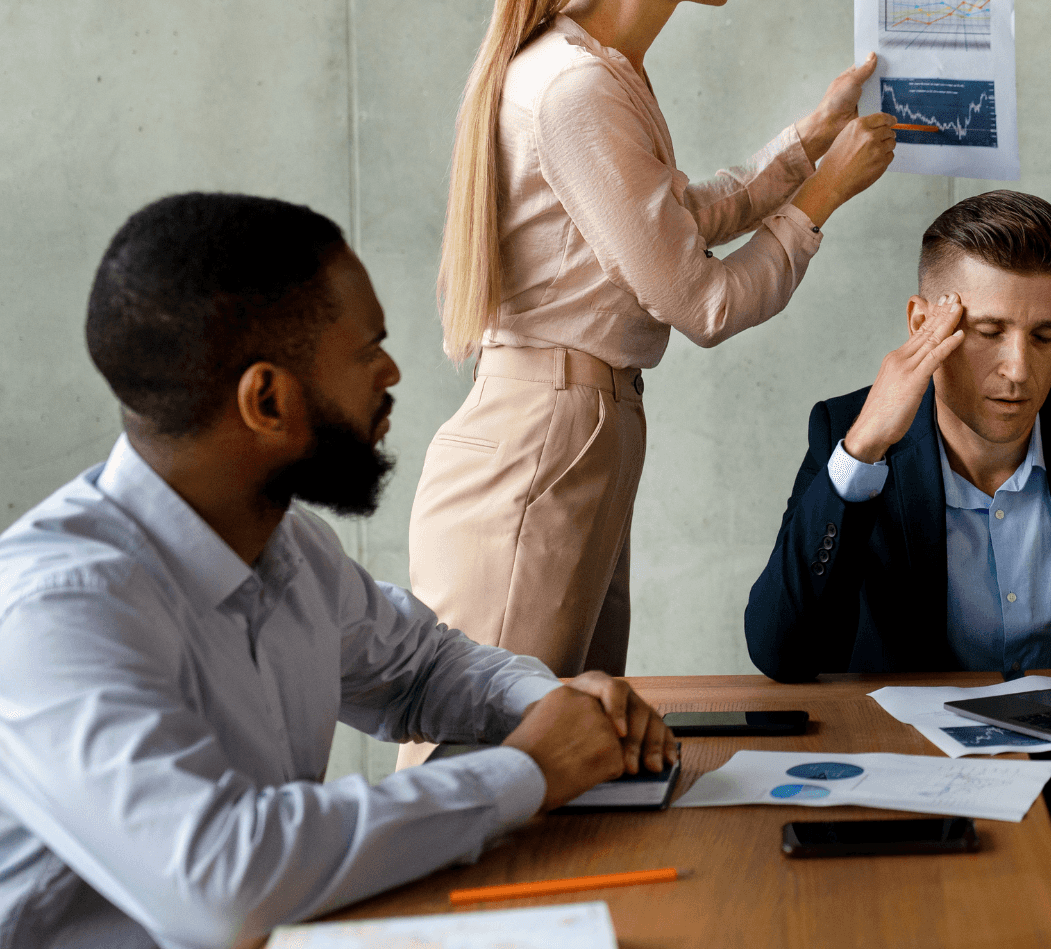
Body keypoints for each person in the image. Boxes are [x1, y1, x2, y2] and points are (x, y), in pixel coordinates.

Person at [0, 194, 675, 948]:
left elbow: (422, 670)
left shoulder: (289, 546)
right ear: (267, 399)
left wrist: (553, 704)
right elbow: (224, 881)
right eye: (368, 352)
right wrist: (528, 770)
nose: (392, 371)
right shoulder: (56, 610)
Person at [409, 0, 898, 692]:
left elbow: (679, 218)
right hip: (546, 441)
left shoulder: (601, 74)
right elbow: (701, 302)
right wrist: (824, 194)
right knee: (488, 758)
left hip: (577, 432)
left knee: (565, 750)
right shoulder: (575, 90)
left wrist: (810, 140)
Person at [746, 191, 1051, 681]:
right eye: (989, 333)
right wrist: (862, 452)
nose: (1019, 371)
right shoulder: (848, 430)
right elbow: (782, 654)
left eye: (1045, 336)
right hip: (910, 754)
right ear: (924, 323)